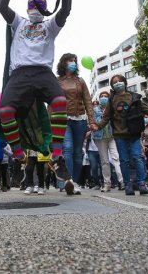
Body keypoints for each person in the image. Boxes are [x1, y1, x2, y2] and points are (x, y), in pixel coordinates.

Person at [0, 0, 74, 194]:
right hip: (20, 74)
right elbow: (1, 6)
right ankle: (19, 157)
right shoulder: (18, 23)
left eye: (39, 4)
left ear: (45, 8)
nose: (34, 8)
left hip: (42, 72)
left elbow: (66, 9)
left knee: (60, 102)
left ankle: (57, 156)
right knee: (5, 112)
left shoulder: (50, 26)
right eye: (32, 4)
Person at [95, 74, 148, 196]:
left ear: (125, 82)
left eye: (120, 81)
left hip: (134, 134)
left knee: (138, 158)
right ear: (112, 86)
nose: (118, 83)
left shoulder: (134, 97)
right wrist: (97, 127)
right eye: (115, 82)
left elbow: (147, 110)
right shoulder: (111, 100)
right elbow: (105, 118)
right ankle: (127, 184)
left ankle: (141, 183)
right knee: (124, 160)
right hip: (119, 135)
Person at [56, 53, 95, 194]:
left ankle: (76, 182)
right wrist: (50, 121)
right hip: (63, 119)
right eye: (70, 61)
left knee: (78, 153)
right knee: (67, 148)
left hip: (80, 120)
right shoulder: (57, 81)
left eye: (74, 61)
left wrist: (92, 120)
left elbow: (88, 101)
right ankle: (68, 181)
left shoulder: (80, 81)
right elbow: (52, 102)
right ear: (63, 63)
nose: (73, 63)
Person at [92, 93, 118, 192]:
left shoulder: (113, 108)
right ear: (99, 99)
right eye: (102, 96)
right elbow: (93, 122)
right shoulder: (95, 110)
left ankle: (123, 182)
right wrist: (102, 117)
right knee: (105, 161)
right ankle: (107, 183)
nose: (104, 98)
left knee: (116, 158)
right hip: (100, 137)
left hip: (112, 136)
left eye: (106, 96)